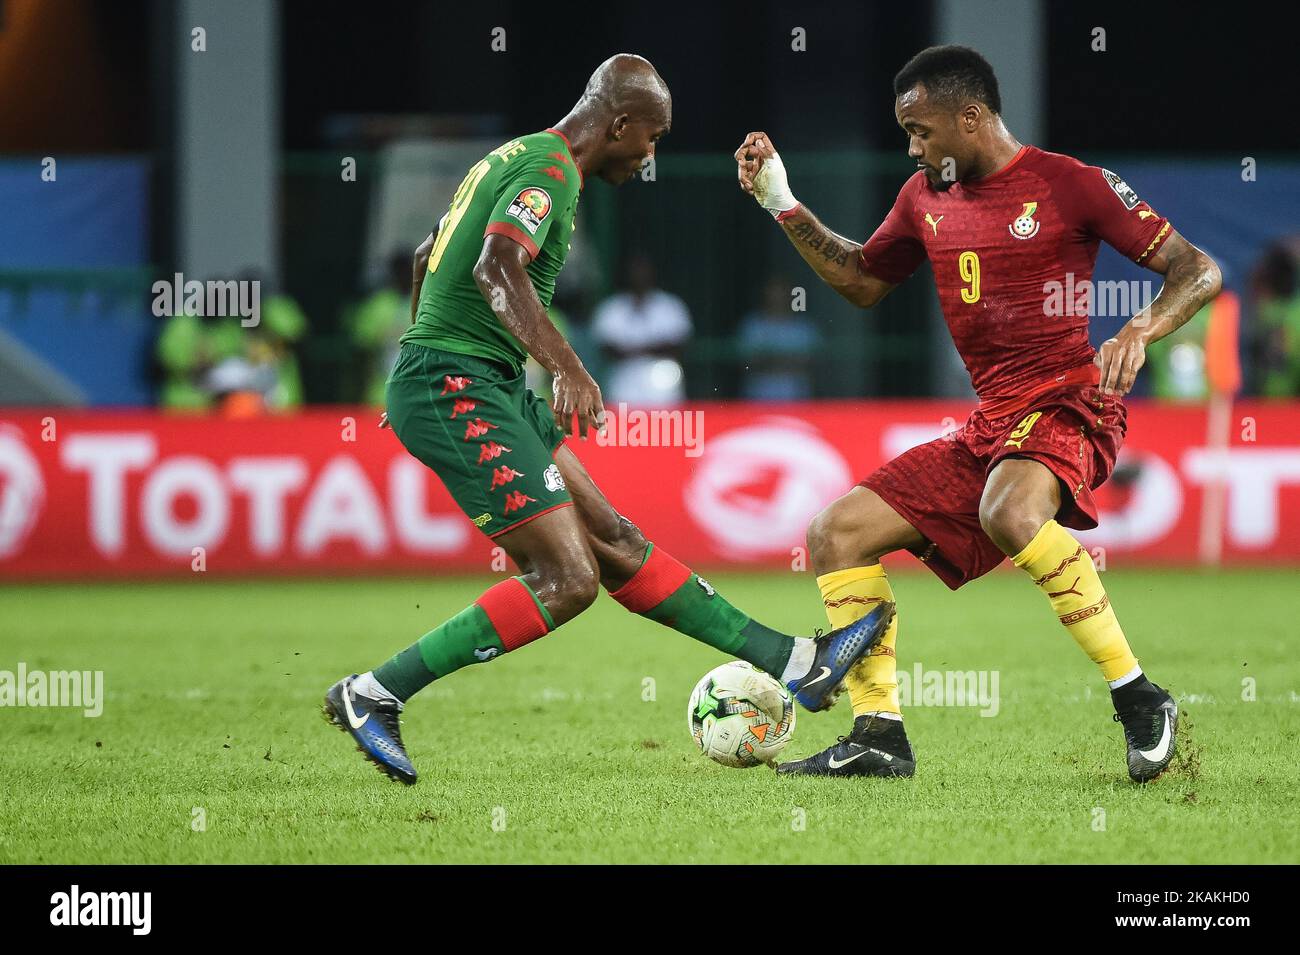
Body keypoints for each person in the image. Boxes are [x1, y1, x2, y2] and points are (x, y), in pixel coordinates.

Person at [322, 54, 894, 785]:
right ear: (619, 124)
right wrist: (561, 364)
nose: (650, 156)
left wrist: (420, 349)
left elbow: (427, 254)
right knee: (567, 578)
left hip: (474, 379)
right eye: (650, 139)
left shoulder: (515, 156)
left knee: (616, 543)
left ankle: (799, 663)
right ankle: (373, 692)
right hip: (459, 383)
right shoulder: (552, 171)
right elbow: (494, 268)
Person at [736, 45, 1222, 783]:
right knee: (835, 533)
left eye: (922, 131)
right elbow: (864, 281)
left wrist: (1141, 328)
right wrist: (782, 202)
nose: (913, 147)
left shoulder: (1070, 183)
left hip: (1067, 401)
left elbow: (1198, 268)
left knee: (1010, 507)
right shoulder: (922, 197)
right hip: (991, 424)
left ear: (971, 117)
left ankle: (1139, 696)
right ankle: (878, 734)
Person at [591, 253, 692, 405]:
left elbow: (678, 345)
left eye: (643, 269)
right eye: (635, 269)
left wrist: (632, 349)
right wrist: (652, 347)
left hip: (663, 384)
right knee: (623, 426)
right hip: (624, 385)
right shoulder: (611, 308)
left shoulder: (670, 306)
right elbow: (607, 349)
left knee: (666, 426)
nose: (639, 274)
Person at [737, 276, 821, 400]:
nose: (777, 297)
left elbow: (812, 362)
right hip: (758, 398)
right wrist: (786, 360)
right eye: (773, 292)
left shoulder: (804, 328)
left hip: (797, 398)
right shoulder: (752, 325)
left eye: (782, 292)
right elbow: (747, 362)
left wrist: (770, 359)